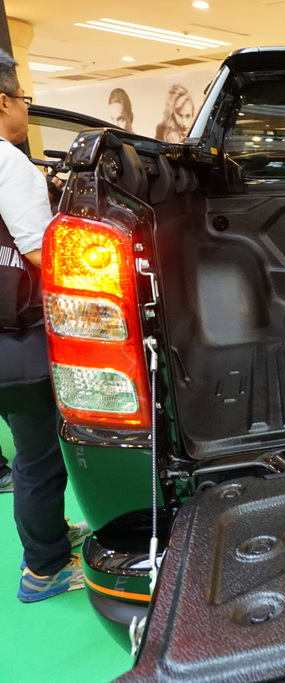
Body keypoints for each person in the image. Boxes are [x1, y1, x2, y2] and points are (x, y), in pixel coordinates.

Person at [0, 50, 90, 602]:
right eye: (24, 100)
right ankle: (45, 569)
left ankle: (50, 533)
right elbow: (41, 253)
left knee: (23, 447)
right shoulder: (8, 163)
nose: (25, 111)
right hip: (17, 340)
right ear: (2, 101)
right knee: (38, 457)